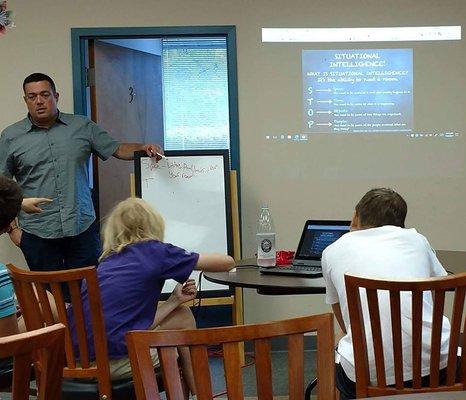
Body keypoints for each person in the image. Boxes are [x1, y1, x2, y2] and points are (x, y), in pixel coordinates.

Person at [69, 197, 235, 397]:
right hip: (117, 361)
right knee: (177, 338)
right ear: (154, 224)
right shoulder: (155, 251)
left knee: (181, 313)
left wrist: (173, 301)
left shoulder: (106, 262)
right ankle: (203, 394)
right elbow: (225, 262)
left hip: (78, 362)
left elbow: (130, 323)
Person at [0, 72, 163, 276]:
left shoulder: (81, 126)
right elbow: (2, 187)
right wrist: (12, 230)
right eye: (32, 97)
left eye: (45, 94)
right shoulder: (10, 137)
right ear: (25, 100)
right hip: (37, 233)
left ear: (56, 96)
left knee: (88, 292)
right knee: (50, 296)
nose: (39, 101)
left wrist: (143, 147)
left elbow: (117, 149)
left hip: (81, 228)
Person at [321, 188, 450, 400]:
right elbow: (437, 293)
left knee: (346, 351)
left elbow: (344, 320)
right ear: (400, 223)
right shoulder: (418, 240)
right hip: (436, 368)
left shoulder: (333, 250)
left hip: (366, 376)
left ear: (355, 216)